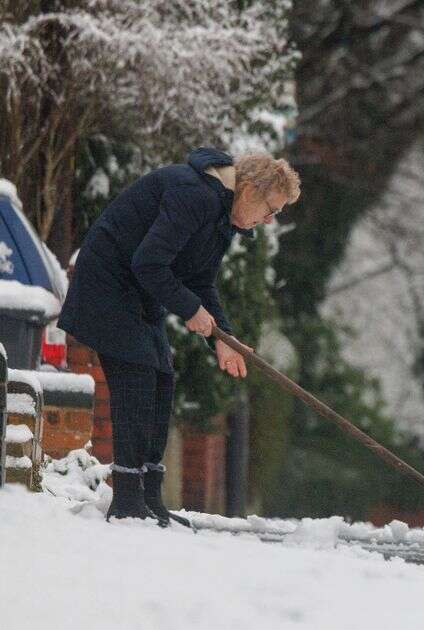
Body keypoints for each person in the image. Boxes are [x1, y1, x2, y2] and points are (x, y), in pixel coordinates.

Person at [58, 147, 300, 526]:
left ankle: (149, 498)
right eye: (271, 209)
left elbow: (199, 280)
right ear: (250, 191)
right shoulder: (195, 194)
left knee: (162, 381)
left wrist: (223, 338)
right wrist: (191, 310)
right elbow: (148, 262)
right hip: (108, 283)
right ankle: (126, 499)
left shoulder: (222, 215)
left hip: (138, 292)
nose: (269, 220)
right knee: (137, 378)